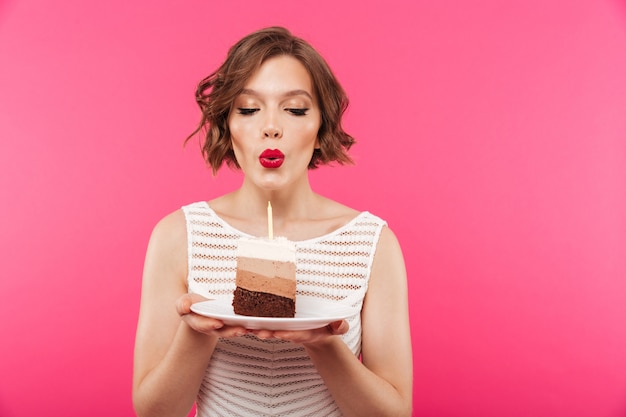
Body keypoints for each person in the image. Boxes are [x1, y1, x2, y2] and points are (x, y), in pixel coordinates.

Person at [132, 26, 413, 417]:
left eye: (295, 110)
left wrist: (323, 343)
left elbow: (394, 413)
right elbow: (153, 412)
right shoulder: (177, 236)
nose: (271, 127)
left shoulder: (373, 243)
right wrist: (197, 334)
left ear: (321, 129)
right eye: (248, 109)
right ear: (228, 126)